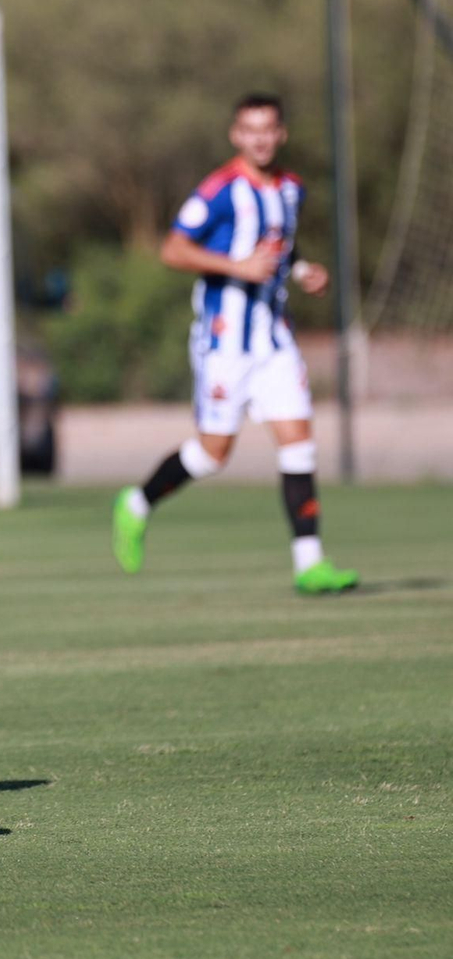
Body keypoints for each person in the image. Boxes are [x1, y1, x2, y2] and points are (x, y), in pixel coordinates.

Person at [112, 93, 359, 594]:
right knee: (212, 455)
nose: (260, 138)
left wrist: (306, 270)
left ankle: (309, 564)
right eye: (250, 129)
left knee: (299, 446)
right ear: (236, 135)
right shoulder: (220, 190)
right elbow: (173, 249)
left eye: (268, 128)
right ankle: (136, 504)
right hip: (225, 343)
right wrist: (236, 267)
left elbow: (282, 251)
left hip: (274, 339)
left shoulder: (292, 188)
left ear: (281, 133)